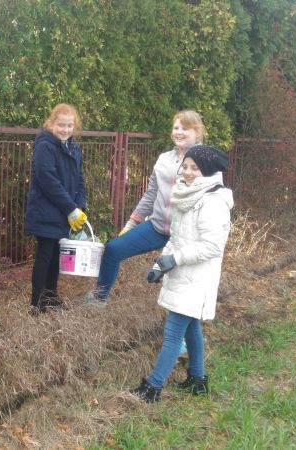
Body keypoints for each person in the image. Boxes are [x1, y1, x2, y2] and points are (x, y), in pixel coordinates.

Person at [131, 145, 233, 402]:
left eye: (194, 168)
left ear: (207, 171)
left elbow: (212, 246)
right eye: (185, 166)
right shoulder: (185, 195)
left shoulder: (213, 201)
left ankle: (152, 388)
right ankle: (198, 380)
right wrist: (159, 266)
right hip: (182, 275)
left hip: (198, 278)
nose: (187, 172)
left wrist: (174, 259)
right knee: (191, 328)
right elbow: (177, 239)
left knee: (174, 332)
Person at [85, 110, 205, 306]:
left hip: (186, 233)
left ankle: (186, 315)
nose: (179, 132)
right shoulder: (164, 159)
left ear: (197, 132)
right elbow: (151, 194)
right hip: (157, 228)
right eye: (176, 128)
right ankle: (98, 300)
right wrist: (132, 223)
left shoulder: (205, 160)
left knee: (182, 282)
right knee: (113, 249)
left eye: (185, 128)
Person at [24, 104, 88, 315]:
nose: (65, 129)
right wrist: (70, 208)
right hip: (46, 211)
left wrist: (79, 205)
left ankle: (50, 296)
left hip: (64, 212)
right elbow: (48, 181)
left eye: (69, 125)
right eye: (61, 125)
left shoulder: (73, 148)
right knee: (44, 255)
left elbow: (79, 179)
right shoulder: (45, 146)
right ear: (51, 124)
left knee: (57, 255)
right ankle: (36, 303)